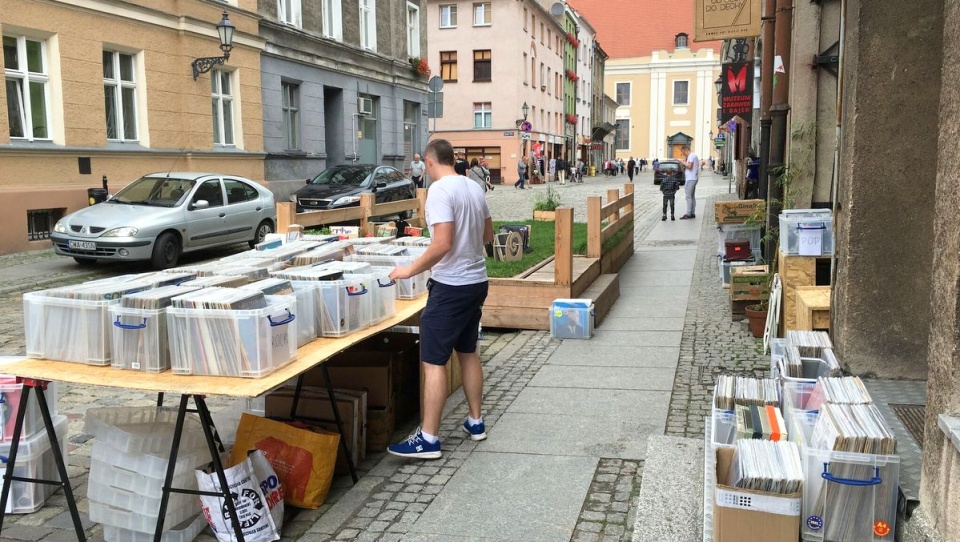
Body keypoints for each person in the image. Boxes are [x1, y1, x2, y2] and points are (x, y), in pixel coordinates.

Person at [386, 138, 494, 459]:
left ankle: (429, 438)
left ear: (430, 163)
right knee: (468, 352)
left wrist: (408, 270)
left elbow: (442, 243)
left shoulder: (438, 191)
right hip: (476, 281)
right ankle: (476, 421)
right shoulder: (474, 187)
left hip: (450, 287)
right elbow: (488, 235)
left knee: (433, 362)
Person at [678, 144, 700, 219]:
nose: (683, 154)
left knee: (688, 196)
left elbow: (690, 166)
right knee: (692, 196)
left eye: (683, 153)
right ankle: (692, 212)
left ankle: (689, 213)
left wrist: (683, 162)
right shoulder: (694, 155)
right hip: (694, 178)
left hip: (691, 179)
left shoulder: (691, 156)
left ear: (685, 150)